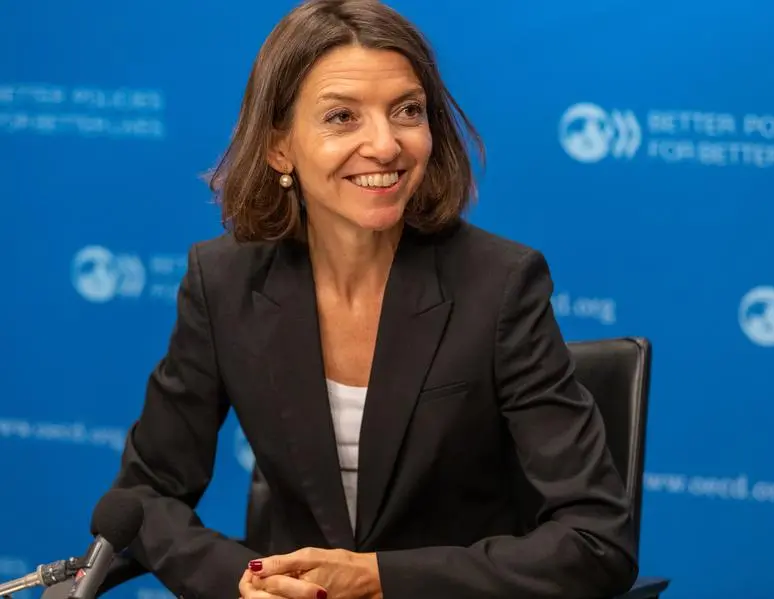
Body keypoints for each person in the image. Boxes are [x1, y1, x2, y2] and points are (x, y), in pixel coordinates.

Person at [110, 0, 639, 598]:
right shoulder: (223, 281)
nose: (385, 145)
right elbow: (143, 496)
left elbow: (597, 540)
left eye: (407, 111)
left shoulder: (500, 285)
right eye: (342, 117)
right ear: (280, 147)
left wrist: (380, 579)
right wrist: (246, 582)